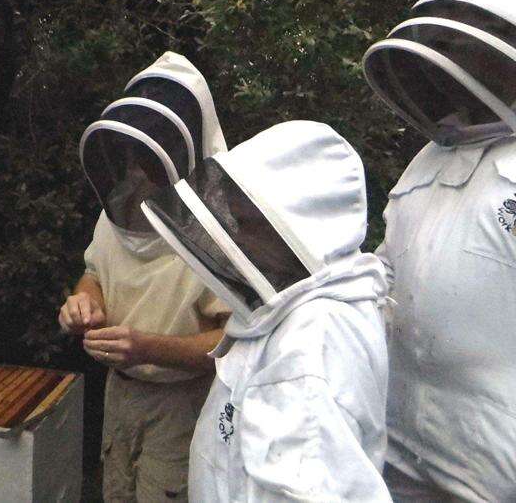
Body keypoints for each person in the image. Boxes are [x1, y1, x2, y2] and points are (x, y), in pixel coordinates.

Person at [141, 120, 391, 501]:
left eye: (252, 224)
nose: (239, 237)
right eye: (237, 220)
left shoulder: (310, 350)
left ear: (300, 226)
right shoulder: (300, 310)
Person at [363, 0, 516, 500]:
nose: (451, 63)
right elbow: (389, 263)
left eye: (464, 47)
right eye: (445, 47)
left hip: (496, 463)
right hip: (400, 442)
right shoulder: (426, 160)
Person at [59, 51, 231, 502]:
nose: (138, 167)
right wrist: (84, 302)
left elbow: (234, 344)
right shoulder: (119, 206)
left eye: (151, 155)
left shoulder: (219, 232)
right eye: (134, 152)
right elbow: (95, 273)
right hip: (119, 394)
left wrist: (148, 348)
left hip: (183, 404)